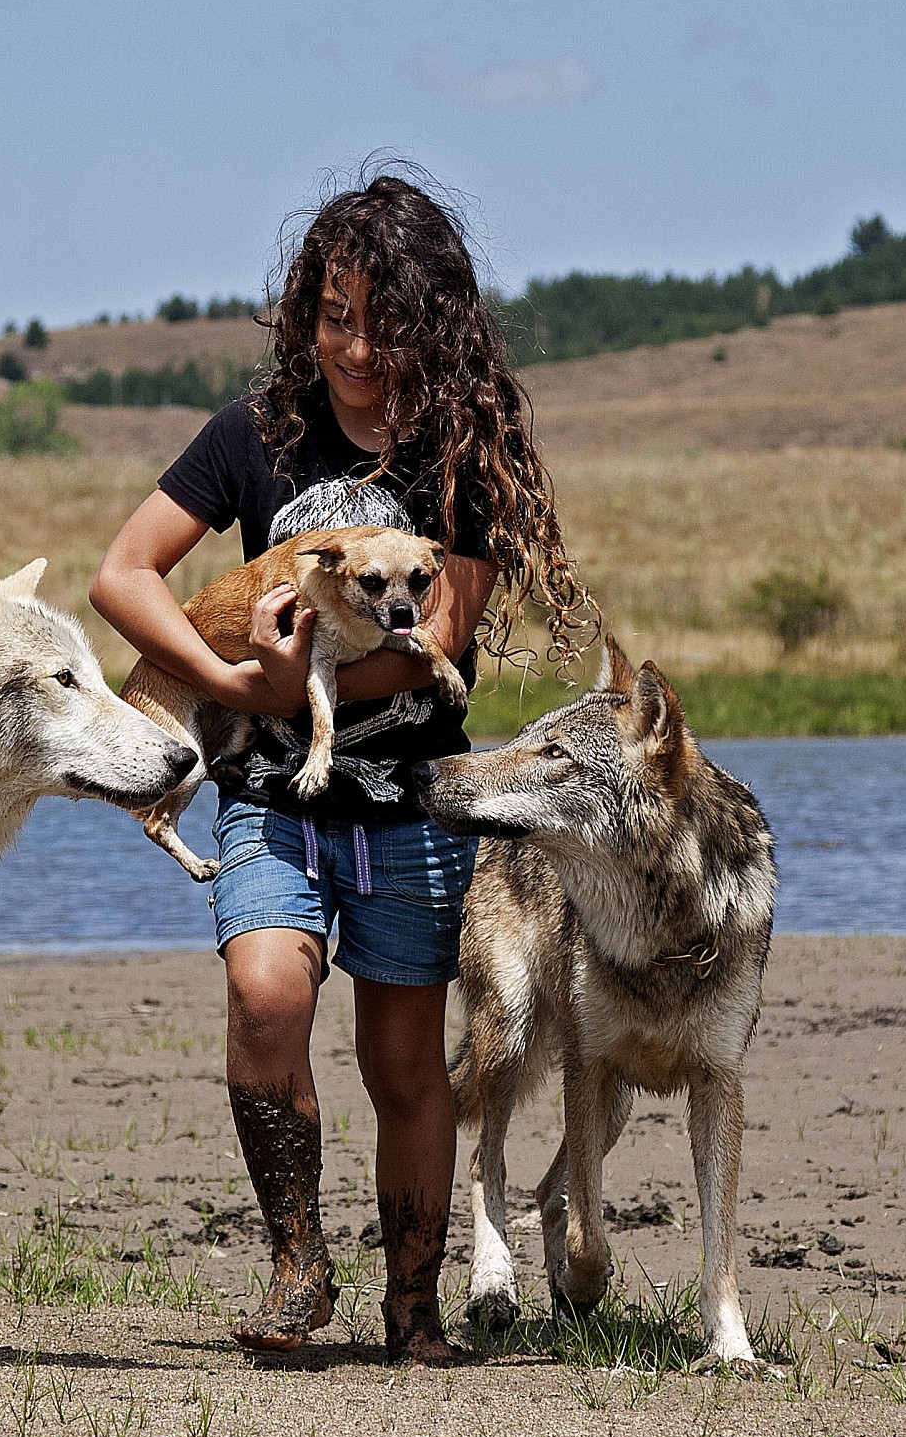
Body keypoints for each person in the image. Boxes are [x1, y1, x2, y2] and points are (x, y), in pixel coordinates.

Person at [91, 169, 592, 1364]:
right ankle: (297, 1265)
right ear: (304, 316)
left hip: (414, 802)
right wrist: (231, 690)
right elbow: (122, 575)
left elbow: (440, 639)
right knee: (267, 996)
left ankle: (413, 1312)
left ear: (434, 323)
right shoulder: (254, 434)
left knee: (406, 1062)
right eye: (333, 318)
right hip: (269, 792)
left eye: (384, 322)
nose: (356, 349)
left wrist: (300, 684)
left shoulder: (461, 453)